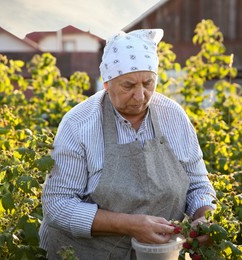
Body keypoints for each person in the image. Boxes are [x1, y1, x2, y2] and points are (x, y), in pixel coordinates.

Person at [39, 28, 216, 259]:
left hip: (158, 253)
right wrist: (130, 225)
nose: (141, 95)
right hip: (88, 253)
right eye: (128, 86)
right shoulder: (79, 124)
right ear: (107, 83)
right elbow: (57, 206)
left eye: (148, 83)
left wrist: (204, 216)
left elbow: (197, 184)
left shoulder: (173, 116)